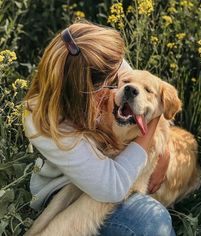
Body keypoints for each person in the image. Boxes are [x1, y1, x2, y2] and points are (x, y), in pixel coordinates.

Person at [23, 21, 174, 236]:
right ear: (82, 91)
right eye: (111, 83)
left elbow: (148, 102)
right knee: (148, 220)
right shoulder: (41, 119)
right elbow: (112, 188)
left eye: (116, 77)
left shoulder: (102, 63)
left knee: (152, 218)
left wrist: (164, 151)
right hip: (66, 186)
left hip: (115, 169)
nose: (116, 87)